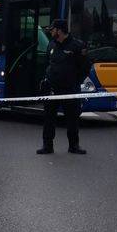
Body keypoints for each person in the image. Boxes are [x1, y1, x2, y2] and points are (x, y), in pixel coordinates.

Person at [37, 19, 88, 155]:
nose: (51, 32)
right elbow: (47, 63)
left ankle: (74, 146)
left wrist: (74, 82)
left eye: (53, 29)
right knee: (49, 118)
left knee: (72, 119)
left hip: (70, 89)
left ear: (60, 30)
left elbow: (84, 68)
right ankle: (47, 146)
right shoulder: (51, 44)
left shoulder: (77, 45)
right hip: (52, 89)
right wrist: (46, 79)